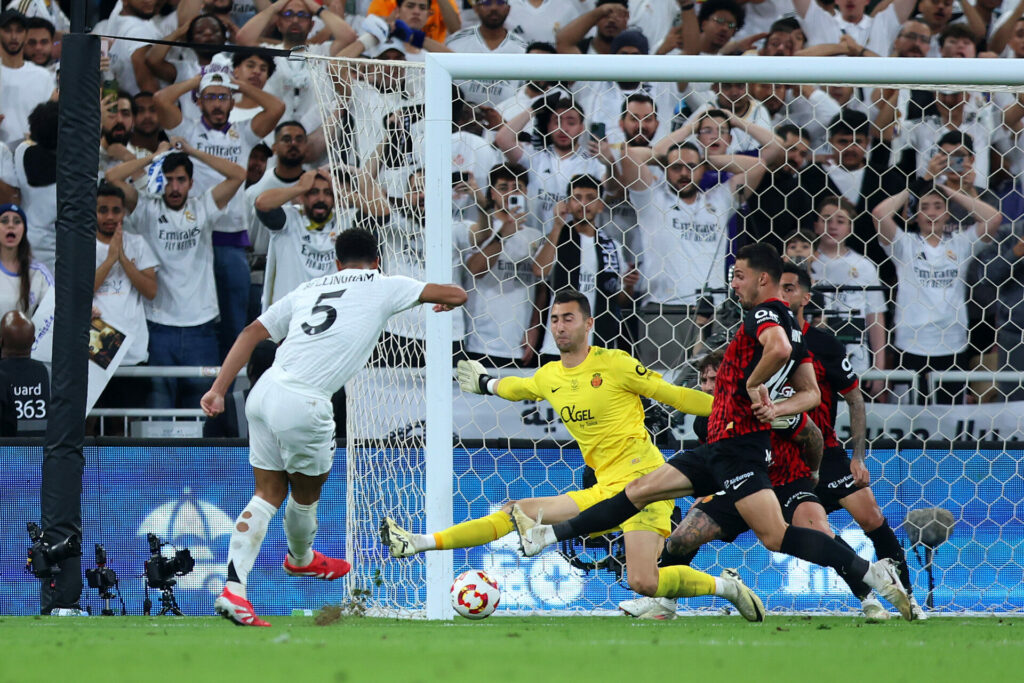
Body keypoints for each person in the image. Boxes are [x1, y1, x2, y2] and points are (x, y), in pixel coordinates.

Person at [511, 244, 916, 621]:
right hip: (723, 444)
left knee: (777, 536)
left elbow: (776, 350)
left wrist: (752, 386)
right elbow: (810, 393)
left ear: (762, 279)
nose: (733, 283)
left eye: (739, 275)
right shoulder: (793, 325)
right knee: (637, 492)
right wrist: (775, 406)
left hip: (739, 449)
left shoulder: (764, 314)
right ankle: (548, 535)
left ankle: (873, 574)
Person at [381, 288, 767, 621]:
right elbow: (522, 387)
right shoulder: (551, 375)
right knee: (633, 575)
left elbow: (677, 395)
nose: (561, 326)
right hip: (606, 487)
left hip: (647, 484)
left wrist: (739, 410)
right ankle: (726, 588)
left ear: (588, 324)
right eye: (554, 319)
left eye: (569, 318)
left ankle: (421, 542)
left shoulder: (614, 364)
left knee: (627, 572)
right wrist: (487, 383)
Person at [201, 227, 468, 627]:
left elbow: (251, 332)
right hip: (305, 401)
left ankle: (234, 592)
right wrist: (447, 302)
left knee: (267, 493)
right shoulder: (385, 283)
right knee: (305, 495)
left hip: (264, 390)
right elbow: (455, 294)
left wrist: (219, 390)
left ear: (337, 263)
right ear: (378, 260)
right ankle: (301, 559)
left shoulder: (311, 288)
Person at [617, 349, 883, 621]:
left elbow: (812, 435)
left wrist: (812, 474)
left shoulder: (762, 406)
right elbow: (715, 464)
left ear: (731, 380)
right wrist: (709, 494)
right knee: (683, 537)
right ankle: (663, 604)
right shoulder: (704, 421)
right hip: (739, 487)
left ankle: (869, 596)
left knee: (818, 529)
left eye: (714, 379)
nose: (707, 386)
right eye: (703, 380)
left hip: (785, 483)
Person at [779, 263, 924, 619]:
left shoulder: (823, 343)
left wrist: (858, 456)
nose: (782, 296)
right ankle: (867, 596)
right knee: (817, 529)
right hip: (783, 456)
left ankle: (908, 597)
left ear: (805, 297)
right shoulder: (760, 342)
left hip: (826, 452)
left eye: (790, 288)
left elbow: (855, 398)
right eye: (777, 289)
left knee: (871, 516)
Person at [104, 139, 246, 410]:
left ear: (191, 183)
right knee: (159, 416)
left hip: (201, 328)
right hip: (158, 327)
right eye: (168, 180)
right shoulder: (146, 207)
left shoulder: (203, 206)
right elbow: (112, 177)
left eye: (181, 180)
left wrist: (191, 152)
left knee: (202, 414)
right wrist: (154, 157)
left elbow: (238, 174)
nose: (174, 187)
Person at [872, 185, 1001, 403]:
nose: (931, 213)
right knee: (907, 416)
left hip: (952, 344)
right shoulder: (904, 244)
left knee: (948, 417)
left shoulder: (961, 243)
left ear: (947, 213)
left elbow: (994, 218)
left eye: (938, 207)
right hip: (910, 344)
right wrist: (920, 182)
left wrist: (946, 189)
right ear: (916, 214)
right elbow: (879, 214)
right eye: (925, 207)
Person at [91, 182, 159, 430]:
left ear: (124, 213)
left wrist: (123, 259)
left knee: (125, 426)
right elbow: (82, 291)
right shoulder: (82, 244)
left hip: (132, 349)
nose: (110, 216)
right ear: (93, 211)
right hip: (95, 347)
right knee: (89, 422)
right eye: (103, 210)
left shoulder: (137, 243)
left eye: (116, 210)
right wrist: (110, 260)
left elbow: (151, 290)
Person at [0, 309, 48, 436]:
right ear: (33, 341)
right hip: (45, 452)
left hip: (5, 453)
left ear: (1, 341)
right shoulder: (49, 374)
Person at [0, 202, 50, 317]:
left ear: (24, 230)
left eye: (17, 221)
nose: (11, 225)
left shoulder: (38, 272)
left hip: (25, 335)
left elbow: (56, 307)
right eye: (4, 221)